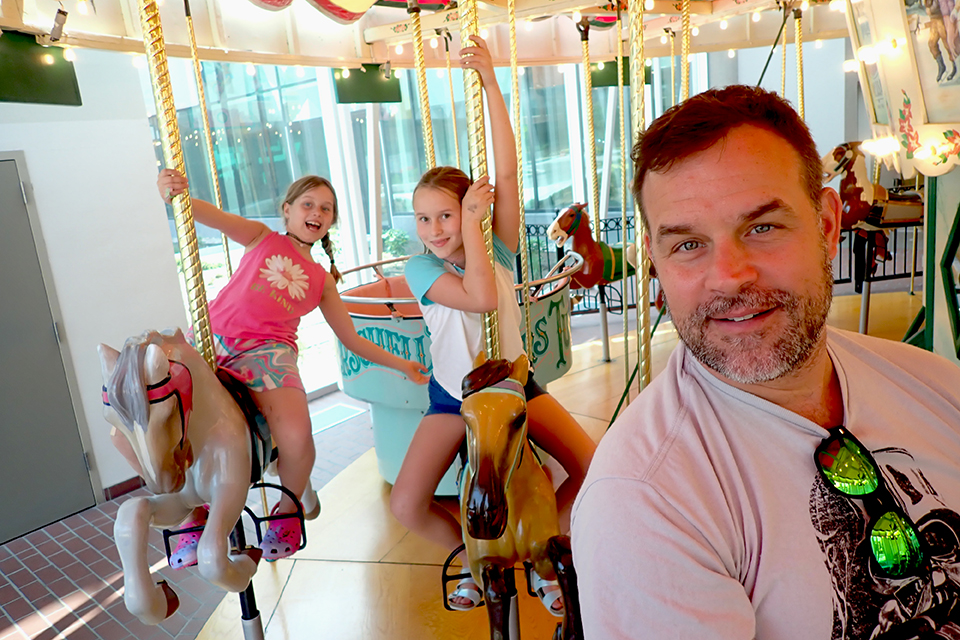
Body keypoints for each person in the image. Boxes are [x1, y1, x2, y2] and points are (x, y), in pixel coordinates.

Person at [571, 85, 960, 639]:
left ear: (826, 227)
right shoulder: (645, 502)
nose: (730, 275)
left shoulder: (939, 386)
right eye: (688, 245)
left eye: (762, 228)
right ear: (655, 260)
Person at [390, 35, 596, 616]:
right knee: (407, 503)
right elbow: (480, 299)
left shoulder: (497, 251)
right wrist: (473, 230)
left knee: (591, 465)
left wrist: (489, 83)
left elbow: (507, 168)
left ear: (469, 210)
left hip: (514, 387)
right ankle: (479, 559)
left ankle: (544, 551)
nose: (433, 227)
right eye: (423, 217)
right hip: (454, 397)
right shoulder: (422, 266)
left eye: (446, 215)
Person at [140, 169, 428, 564]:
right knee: (154, 413)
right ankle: (192, 510)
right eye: (308, 204)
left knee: (296, 434)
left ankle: (288, 511)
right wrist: (174, 193)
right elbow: (201, 213)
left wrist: (402, 365)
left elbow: (352, 339)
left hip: (268, 354)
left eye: (326, 208)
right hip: (212, 341)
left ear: (331, 222)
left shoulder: (321, 278)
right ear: (287, 211)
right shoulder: (261, 237)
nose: (317, 212)